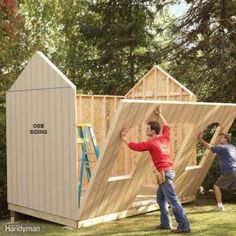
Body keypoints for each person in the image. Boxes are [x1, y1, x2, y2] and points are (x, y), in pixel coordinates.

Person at [120, 106, 190, 234]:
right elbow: (167, 126)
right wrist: (160, 115)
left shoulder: (152, 143)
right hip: (168, 171)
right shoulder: (165, 138)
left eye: (147, 128)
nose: (146, 130)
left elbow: (135, 146)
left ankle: (184, 226)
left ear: (152, 131)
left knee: (173, 200)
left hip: (165, 173)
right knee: (160, 199)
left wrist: (124, 138)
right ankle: (165, 224)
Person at [198, 131, 236, 211]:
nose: (219, 139)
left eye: (221, 138)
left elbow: (209, 147)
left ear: (226, 139)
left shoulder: (223, 148)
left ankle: (220, 206)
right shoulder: (232, 147)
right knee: (233, 188)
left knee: (216, 186)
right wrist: (222, 131)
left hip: (229, 171)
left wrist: (200, 139)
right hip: (234, 171)